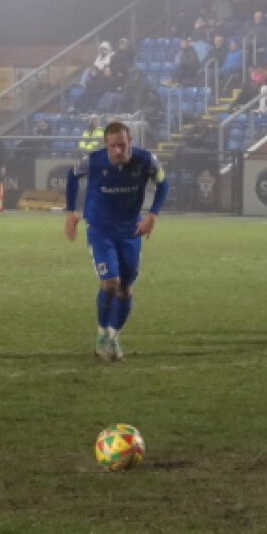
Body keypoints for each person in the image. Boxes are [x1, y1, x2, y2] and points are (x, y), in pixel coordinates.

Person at [64, 120, 169, 362]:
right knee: (111, 283)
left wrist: (152, 215)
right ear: (106, 144)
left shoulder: (146, 161)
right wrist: (70, 212)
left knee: (125, 290)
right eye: (114, 146)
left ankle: (114, 337)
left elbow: (163, 184)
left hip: (131, 231)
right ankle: (101, 333)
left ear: (130, 141)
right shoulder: (93, 161)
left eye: (122, 145)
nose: (119, 150)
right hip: (101, 230)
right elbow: (72, 176)